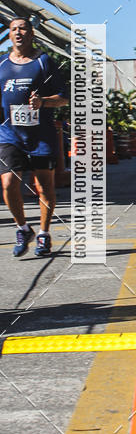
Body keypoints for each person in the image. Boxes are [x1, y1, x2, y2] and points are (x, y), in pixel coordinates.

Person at [0, 17, 68, 257]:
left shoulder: (44, 62)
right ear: (9, 35)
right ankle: (22, 228)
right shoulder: (1, 63)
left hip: (41, 136)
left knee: (44, 187)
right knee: (8, 184)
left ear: (31, 34)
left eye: (23, 29)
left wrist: (44, 102)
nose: (18, 32)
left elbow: (64, 97)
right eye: (13, 29)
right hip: (9, 134)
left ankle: (43, 233)